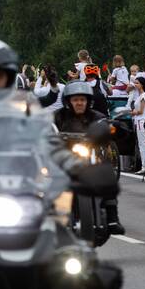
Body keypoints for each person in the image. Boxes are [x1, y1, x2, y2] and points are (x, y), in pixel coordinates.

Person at [55, 81, 125, 234]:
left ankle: (113, 219)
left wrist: (116, 127)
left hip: (91, 158)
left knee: (107, 175)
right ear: (68, 101)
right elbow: (43, 128)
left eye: (82, 99)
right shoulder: (59, 117)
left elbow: (110, 126)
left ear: (88, 101)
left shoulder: (96, 116)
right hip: (64, 159)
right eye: (75, 99)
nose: (79, 103)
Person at [129, 75, 145, 174]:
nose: (135, 85)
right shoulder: (139, 96)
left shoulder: (143, 96)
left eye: (137, 83)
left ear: (142, 84)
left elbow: (141, 111)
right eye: (135, 83)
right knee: (142, 144)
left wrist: (133, 112)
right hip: (138, 121)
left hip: (141, 121)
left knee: (143, 145)